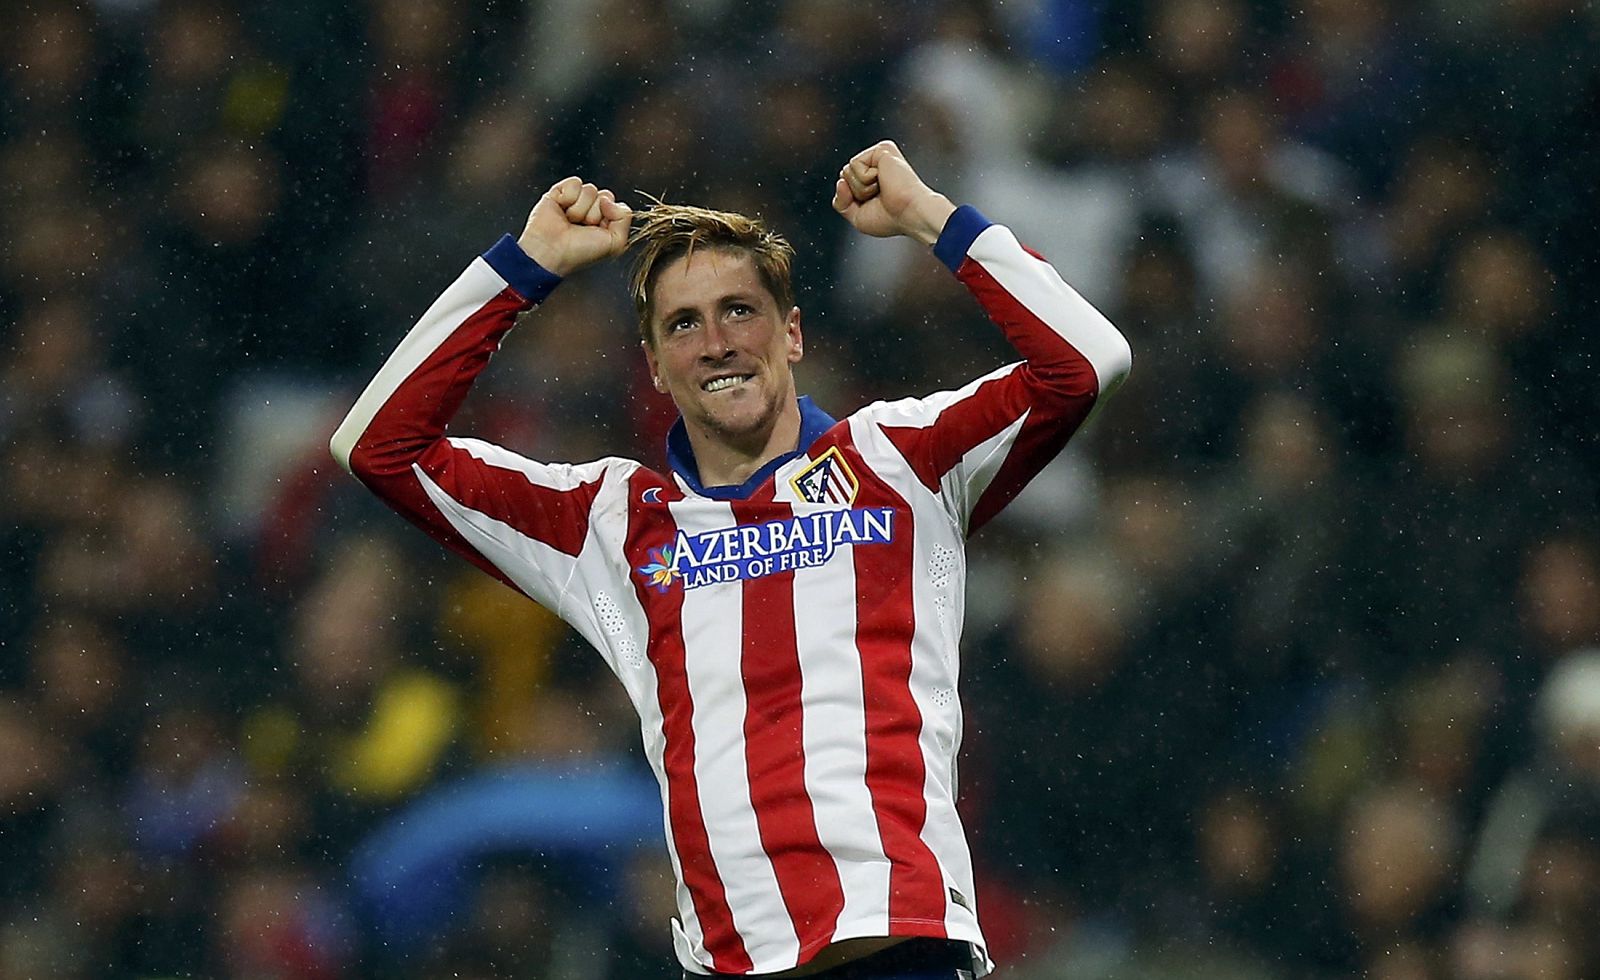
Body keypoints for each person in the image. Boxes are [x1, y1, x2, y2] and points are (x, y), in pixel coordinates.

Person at [331, 140, 1131, 979]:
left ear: (791, 334)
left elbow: (1087, 361)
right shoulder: (612, 524)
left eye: (739, 311)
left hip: (905, 948)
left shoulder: (899, 459)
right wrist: (522, 269)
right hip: (730, 963)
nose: (716, 342)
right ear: (654, 366)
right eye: (683, 323)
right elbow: (380, 446)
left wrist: (932, 218)